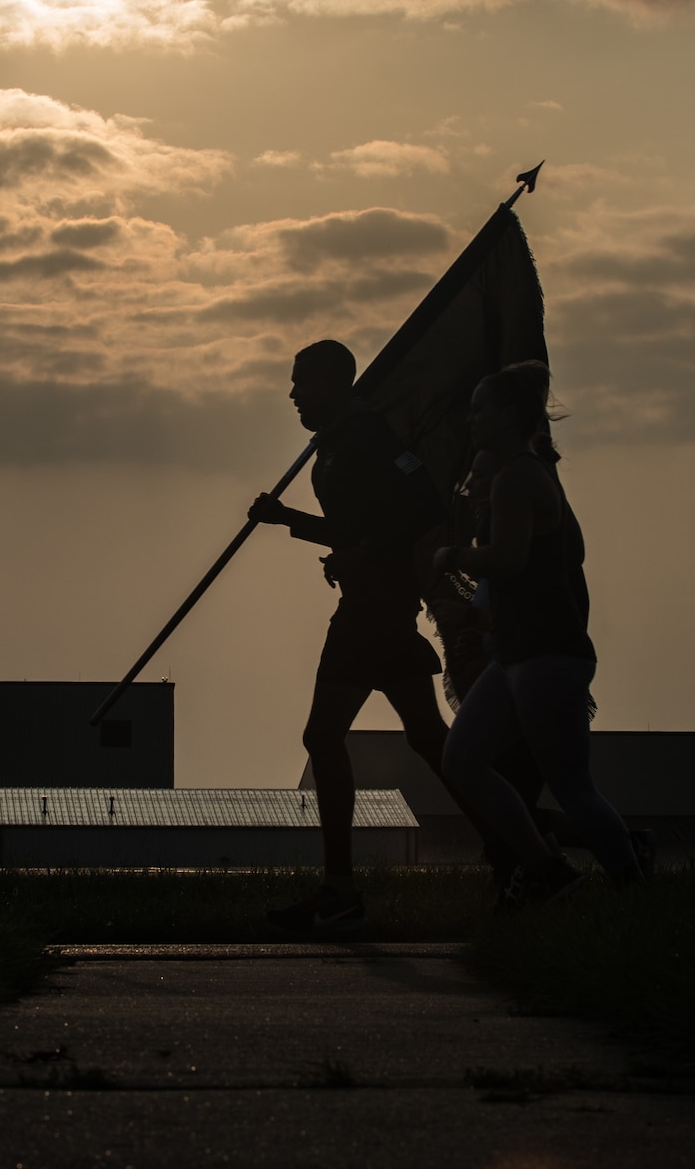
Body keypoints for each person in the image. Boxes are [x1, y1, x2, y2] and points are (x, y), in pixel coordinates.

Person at [250, 339, 451, 935]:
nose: (292, 394)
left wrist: (367, 553)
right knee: (431, 740)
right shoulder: (335, 446)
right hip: (373, 605)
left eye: (302, 383)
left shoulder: (366, 436)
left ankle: (339, 889)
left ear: (335, 384)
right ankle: (535, 842)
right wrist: (291, 522)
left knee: (322, 733)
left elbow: (423, 506)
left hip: (376, 611)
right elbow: (353, 527)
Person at [439, 360, 646, 903]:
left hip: (547, 656)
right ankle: (549, 872)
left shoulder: (520, 478)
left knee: (574, 788)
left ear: (509, 415)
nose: (471, 419)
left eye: (480, 409)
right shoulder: (525, 477)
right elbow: (557, 556)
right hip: (516, 656)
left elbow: (507, 560)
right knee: (461, 761)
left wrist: (454, 554)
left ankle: (631, 887)